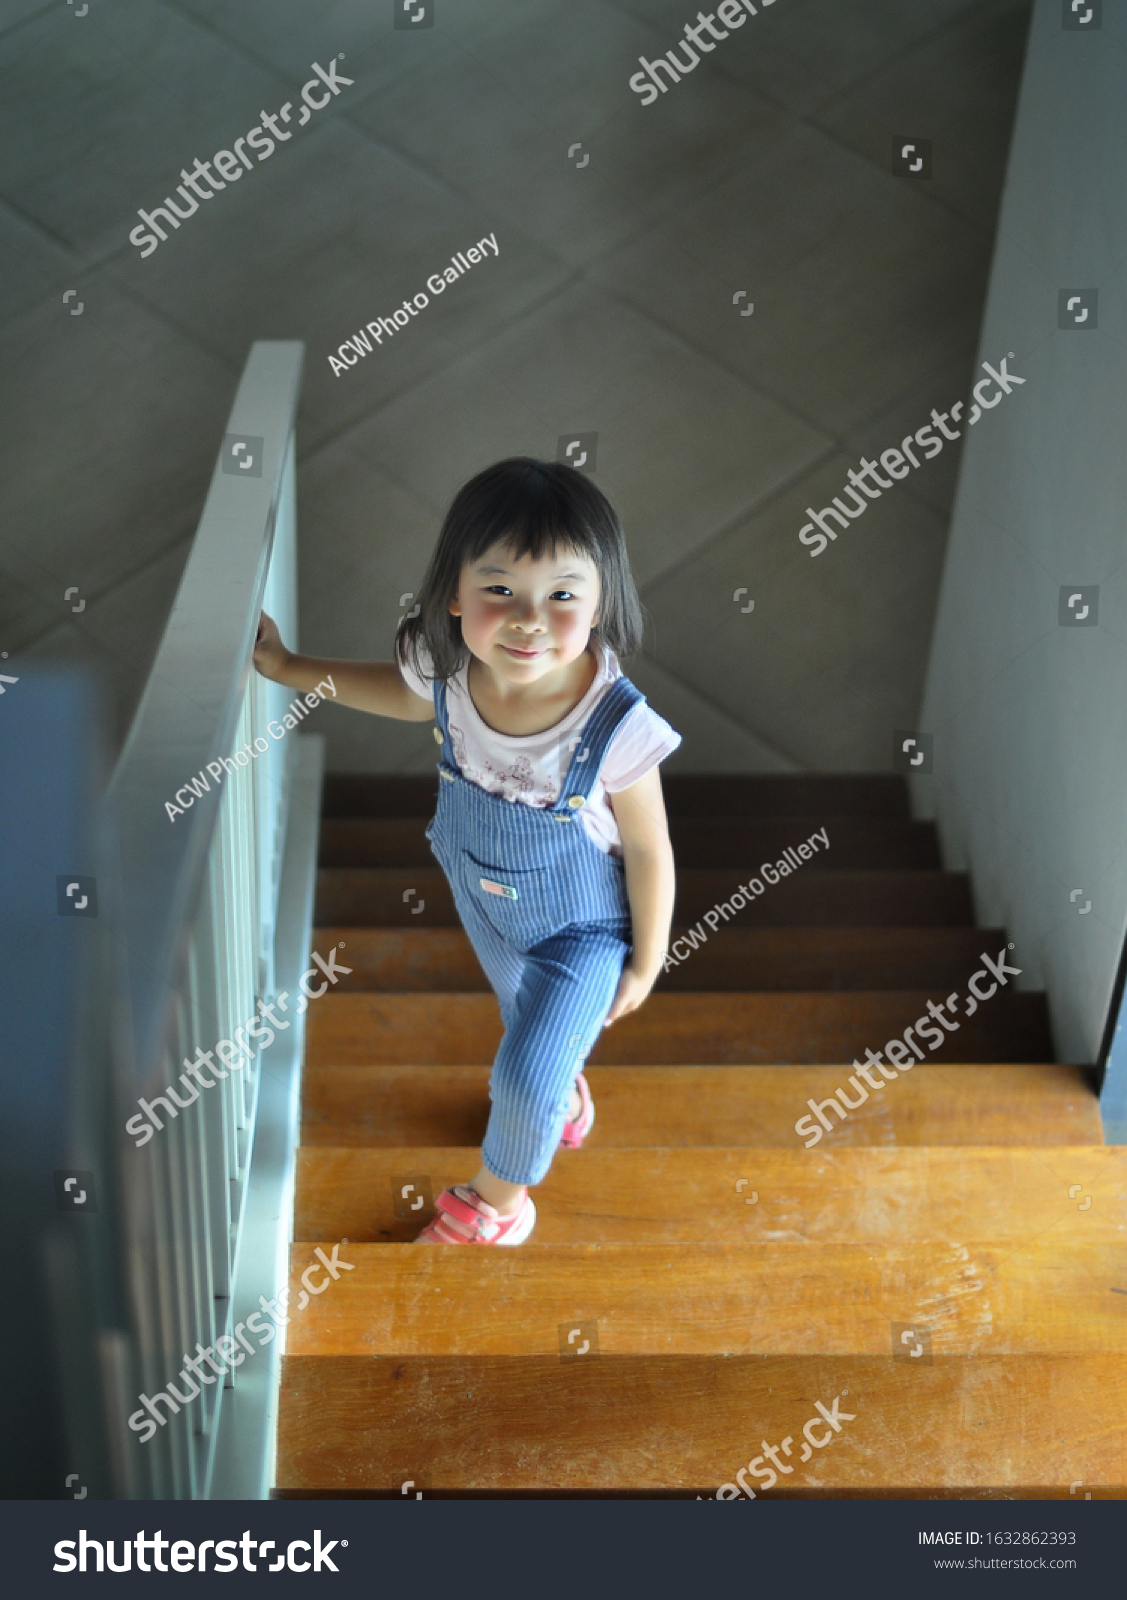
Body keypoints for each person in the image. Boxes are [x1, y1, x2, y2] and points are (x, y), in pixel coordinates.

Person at [253, 456, 680, 1244]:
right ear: (452, 594)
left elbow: (650, 849)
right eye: (499, 590)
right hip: (485, 901)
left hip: (583, 929)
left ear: (599, 603)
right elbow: (402, 694)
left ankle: (496, 1205)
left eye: (560, 595)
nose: (527, 619)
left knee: (518, 1072)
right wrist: (287, 669)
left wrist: (648, 959)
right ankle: (560, 1094)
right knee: (526, 1023)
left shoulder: (613, 724)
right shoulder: (447, 668)